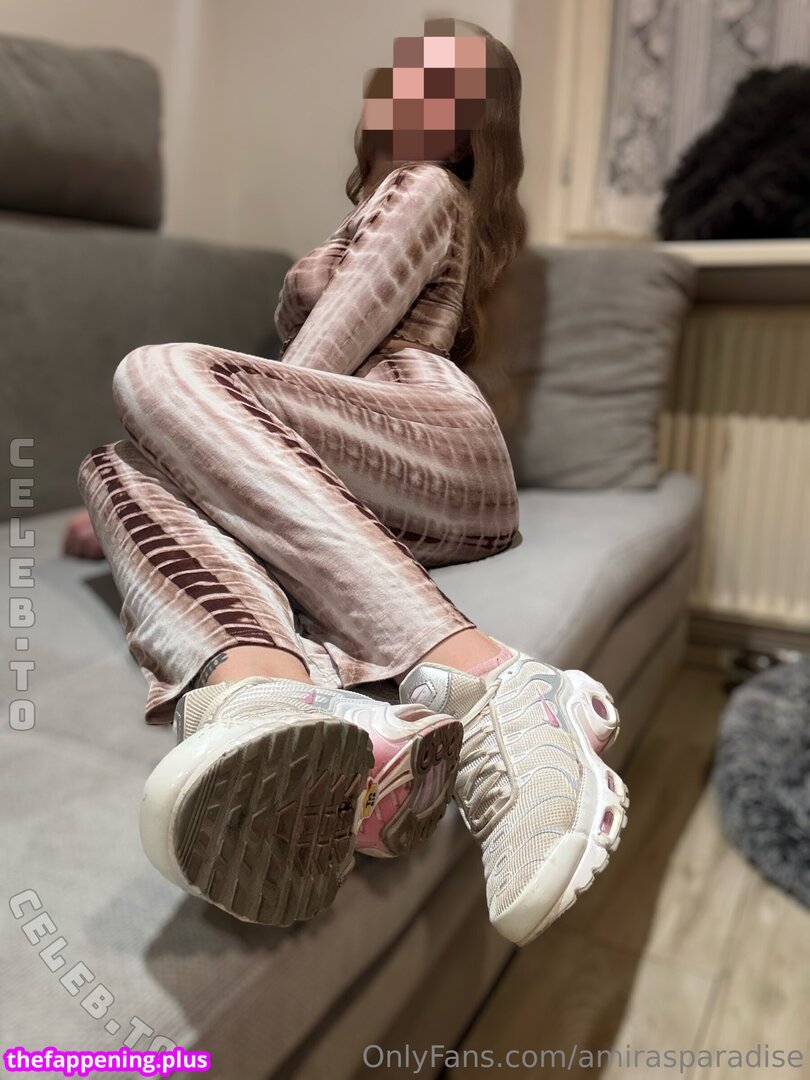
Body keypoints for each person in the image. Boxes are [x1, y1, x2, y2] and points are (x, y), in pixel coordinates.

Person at [71, 18, 627, 947]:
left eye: (446, 84)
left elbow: (318, 361)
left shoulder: (426, 186)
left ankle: (500, 692)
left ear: (477, 121)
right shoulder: (382, 200)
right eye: (409, 72)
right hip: (358, 470)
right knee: (112, 465)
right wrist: (184, 465)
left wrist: (196, 450)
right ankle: (267, 697)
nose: (416, 89)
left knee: (156, 374)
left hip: (424, 436)